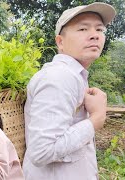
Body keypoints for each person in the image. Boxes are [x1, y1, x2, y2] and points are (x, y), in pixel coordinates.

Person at [23, 2, 116, 180]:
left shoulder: (74, 77)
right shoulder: (59, 77)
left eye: (99, 30)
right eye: (83, 29)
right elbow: (42, 151)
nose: (95, 36)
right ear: (60, 42)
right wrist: (96, 119)